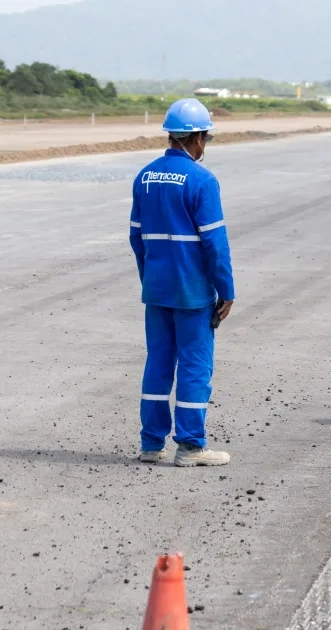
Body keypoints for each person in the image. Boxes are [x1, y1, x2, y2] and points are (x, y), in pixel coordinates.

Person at [129, 98, 235, 466]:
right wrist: (227, 290)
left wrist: (150, 278)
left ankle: (150, 444)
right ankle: (190, 446)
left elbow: (136, 237)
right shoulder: (202, 180)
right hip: (192, 292)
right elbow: (215, 244)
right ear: (198, 139)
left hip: (157, 288)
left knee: (158, 362)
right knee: (194, 365)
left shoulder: (145, 176)